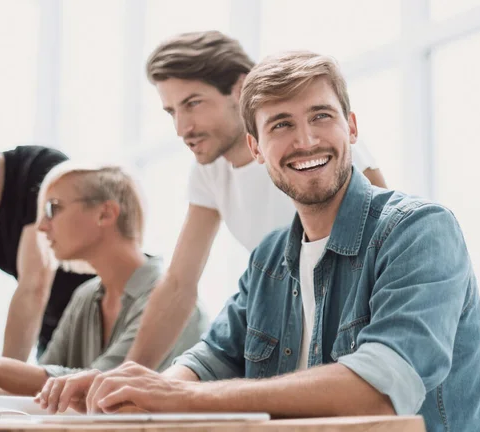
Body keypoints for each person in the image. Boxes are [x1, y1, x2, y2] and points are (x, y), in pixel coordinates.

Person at [37, 51, 480, 431]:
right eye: (280, 125)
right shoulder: (269, 257)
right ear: (256, 148)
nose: (306, 139)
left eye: (321, 116)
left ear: (351, 128)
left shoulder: (419, 230)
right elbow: (212, 358)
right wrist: (136, 391)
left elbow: (377, 394)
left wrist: (178, 394)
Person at [125, 30, 386, 370]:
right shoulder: (209, 172)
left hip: (356, 333)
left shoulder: (321, 151)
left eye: (192, 104)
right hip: (295, 329)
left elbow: (386, 235)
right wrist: (128, 379)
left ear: (239, 87)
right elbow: (178, 285)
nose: (182, 128)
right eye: (171, 111)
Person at [0, 163, 207, 396]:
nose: (41, 226)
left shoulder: (171, 303)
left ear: (105, 214)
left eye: (53, 208)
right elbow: (41, 386)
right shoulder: (85, 297)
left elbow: (106, 384)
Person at [0, 119, 94, 360]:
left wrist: (3, 379)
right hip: (53, 330)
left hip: (101, 312)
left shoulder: (39, 169)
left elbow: (35, 285)